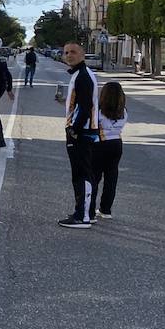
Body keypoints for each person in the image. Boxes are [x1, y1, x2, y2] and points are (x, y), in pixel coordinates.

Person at [59, 42, 100, 228]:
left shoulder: (83, 76)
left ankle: (81, 216)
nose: (69, 55)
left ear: (82, 55)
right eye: (66, 52)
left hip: (82, 132)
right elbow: (79, 104)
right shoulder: (79, 74)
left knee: (81, 174)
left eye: (73, 52)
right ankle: (87, 213)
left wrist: (74, 129)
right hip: (83, 130)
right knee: (85, 173)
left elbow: (86, 106)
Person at [90, 81, 127, 220]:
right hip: (116, 143)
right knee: (111, 178)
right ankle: (106, 209)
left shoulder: (98, 110)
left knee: (94, 176)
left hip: (100, 143)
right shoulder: (123, 111)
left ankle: (90, 210)